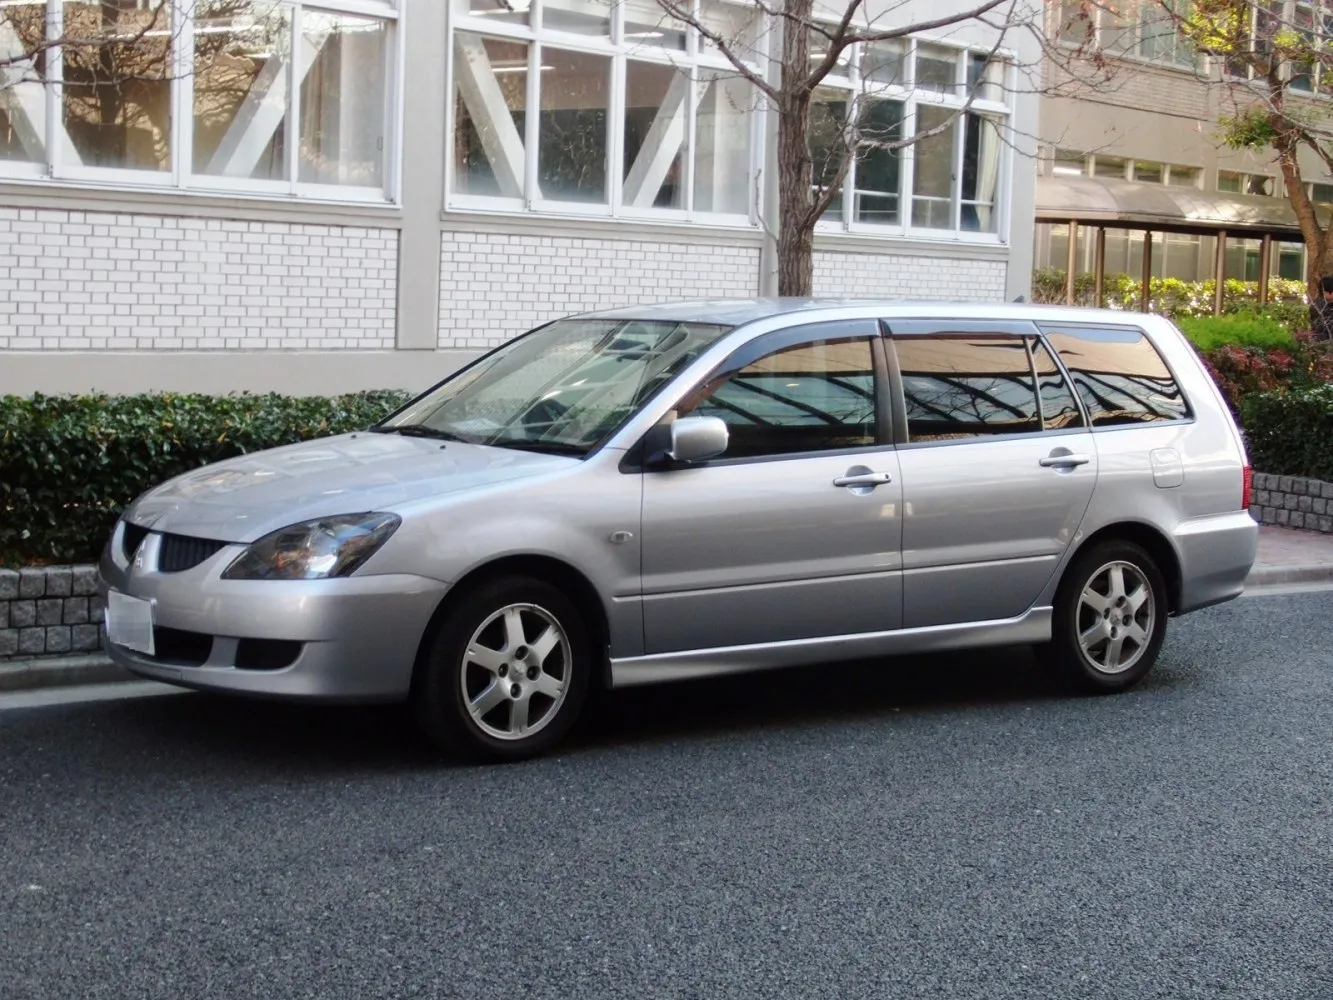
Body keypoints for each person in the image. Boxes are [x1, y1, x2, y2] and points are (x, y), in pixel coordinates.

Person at [1309, 275, 1333, 342]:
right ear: (1326, 292)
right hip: (1323, 344)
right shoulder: (1319, 307)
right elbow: (1326, 328)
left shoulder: (1327, 304)